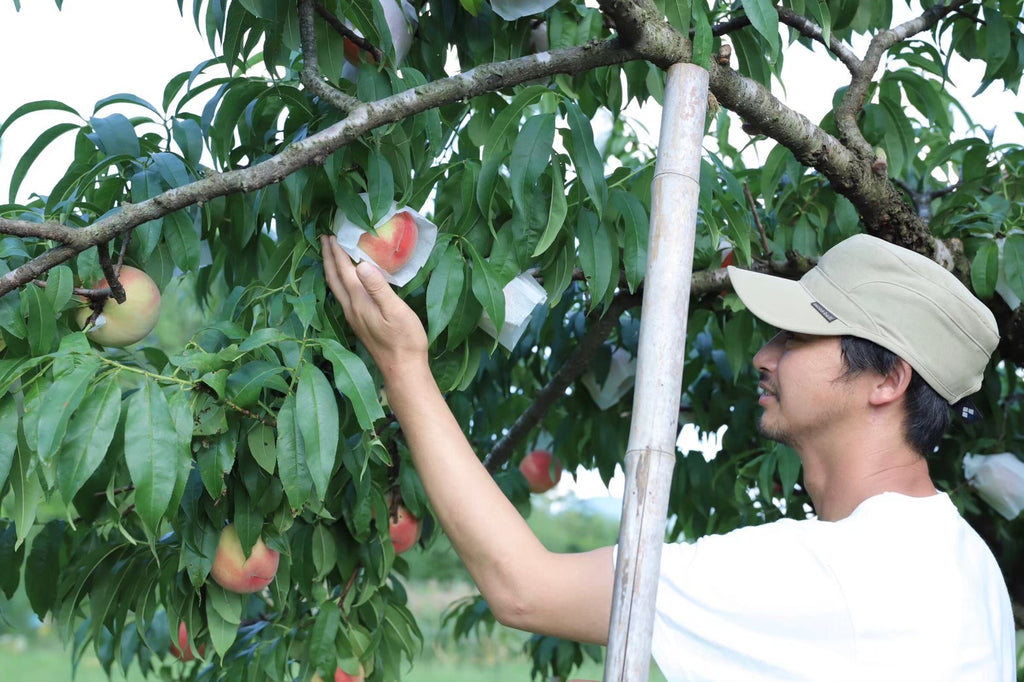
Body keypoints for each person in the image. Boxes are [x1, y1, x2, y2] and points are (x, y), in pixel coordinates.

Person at [321, 232, 1016, 681]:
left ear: (888, 380)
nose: (765, 357)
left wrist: (403, 365)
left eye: (798, 338)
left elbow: (525, 588)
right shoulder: (963, 557)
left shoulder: (829, 574)